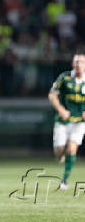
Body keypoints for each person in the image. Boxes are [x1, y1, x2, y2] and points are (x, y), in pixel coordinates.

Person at [48, 52, 85, 190]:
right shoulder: (64, 77)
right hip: (63, 121)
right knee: (59, 153)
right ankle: (60, 155)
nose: (79, 64)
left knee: (71, 149)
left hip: (79, 122)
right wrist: (61, 109)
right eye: (76, 62)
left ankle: (64, 181)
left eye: (81, 62)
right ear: (72, 64)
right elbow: (52, 95)